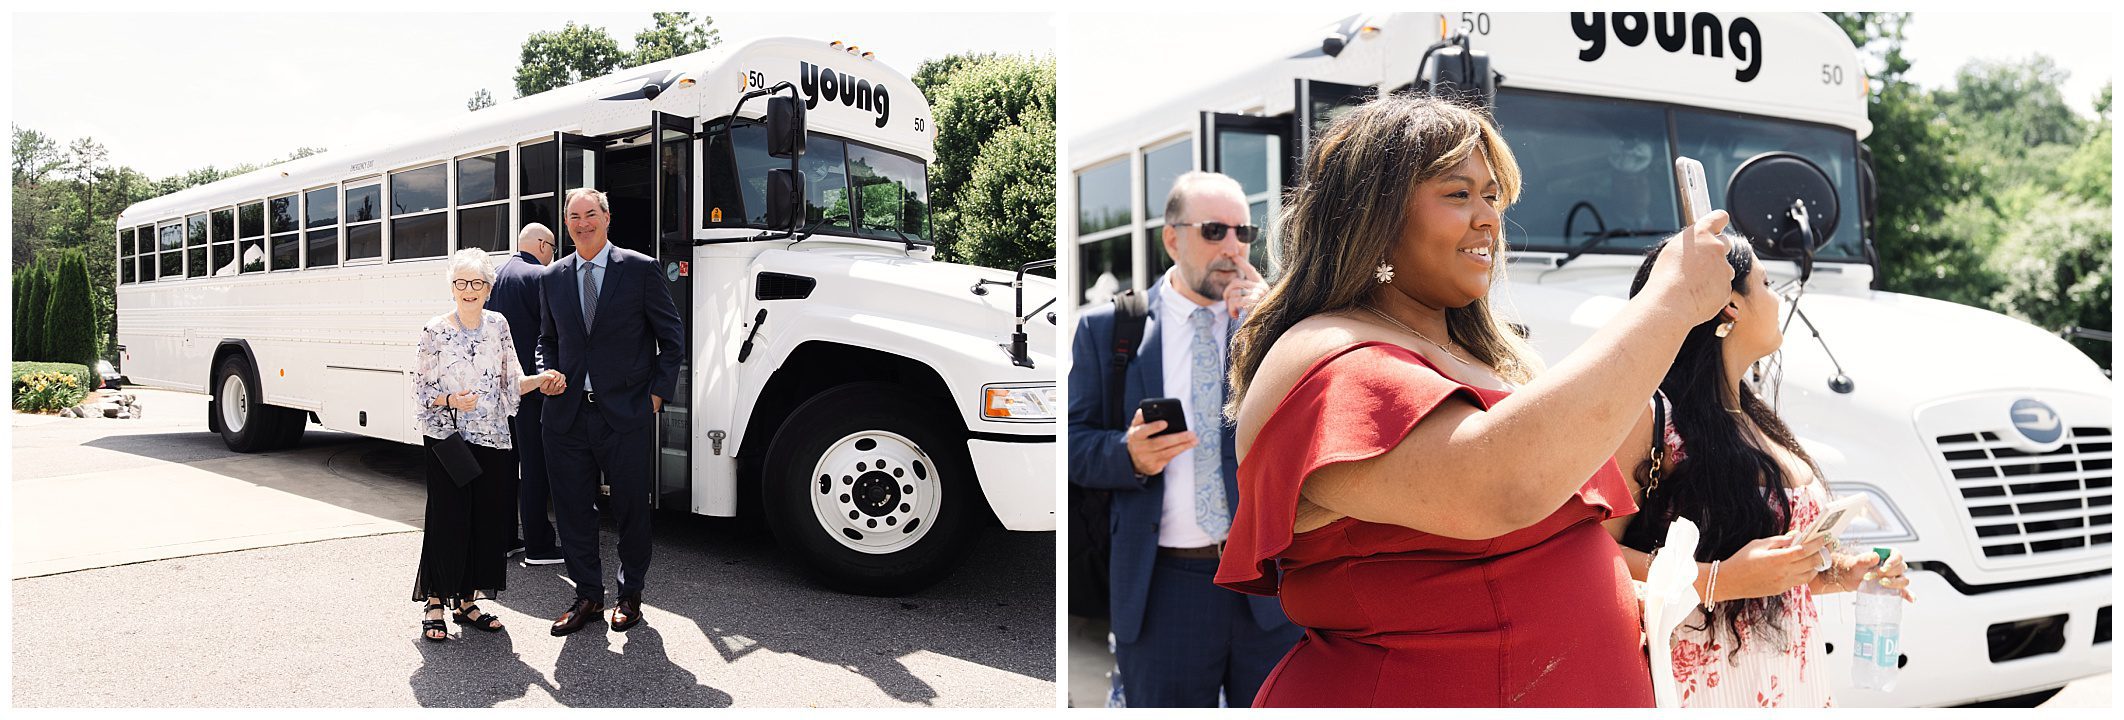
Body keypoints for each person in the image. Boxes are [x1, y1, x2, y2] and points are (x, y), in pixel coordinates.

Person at [1211, 94, 1737, 706]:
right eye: (1458, 194)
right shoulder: (1328, 354)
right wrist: (1669, 301)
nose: (1488, 218)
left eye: (1492, 196)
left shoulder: (1478, 355)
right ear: (1373, 217)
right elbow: (1502, 482)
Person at [1606, 238, 1913, 707]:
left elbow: (1773, 578)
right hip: (1706, 692)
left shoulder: (1752, 415)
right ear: (1729, 306)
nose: (1778, 297)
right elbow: (1591, 557)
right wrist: (1718, 579)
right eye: (1767, 284)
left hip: (1792, 684)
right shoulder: (1651, 416)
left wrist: (1843, 571)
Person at [1068, 171, 1295, 707]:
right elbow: (1073, 446)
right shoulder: (1109, 330)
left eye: (1245, 232)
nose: (1234, 248)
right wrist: (1128, 456)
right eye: (1215, 230)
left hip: (1268, 587)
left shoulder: (1277, 326)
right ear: (1172, 239)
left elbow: (1306, 432)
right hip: (1165, 585)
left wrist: (1268, 329)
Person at [538, 187, 685, 636]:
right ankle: (587, 597)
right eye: (573, 217)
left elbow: (671, 338)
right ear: (566, 223)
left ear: (607, 217)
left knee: (630, 509)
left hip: (625, 414)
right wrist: (545, 372)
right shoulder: (553, 277)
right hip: (565, 417)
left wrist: (657, 396)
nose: (582, 223)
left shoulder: (639, 269)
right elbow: (548, 340)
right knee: (572, 510)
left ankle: (631, 595)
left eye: (590, 214)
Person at [412, 248, 561, 641]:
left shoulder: (498, 325)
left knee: (486, 520)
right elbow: (422, 390)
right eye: (461, 283)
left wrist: (540, 380)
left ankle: (466, 600)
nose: (468, 290)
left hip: (493, 437)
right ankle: (434, 601)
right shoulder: (434, 331)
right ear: (452, 288)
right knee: (448, 519)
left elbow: (510, 380)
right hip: (449, 438)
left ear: (489, 288)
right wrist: (450, 401)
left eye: (477, 283)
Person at [488, 223, 563, 566]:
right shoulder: (540, 276)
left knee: (506, 463)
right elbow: (552, 331)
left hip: (499, 386)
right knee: (535, 465)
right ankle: (538, 544)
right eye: (552, 249)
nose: (553, 256)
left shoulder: (495, 274)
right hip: (530, 386)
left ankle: (504, 537)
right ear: (542, 245)